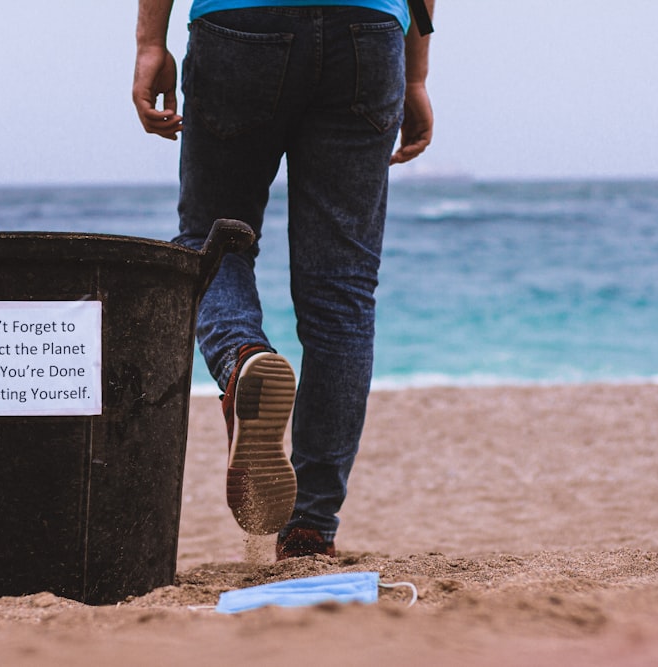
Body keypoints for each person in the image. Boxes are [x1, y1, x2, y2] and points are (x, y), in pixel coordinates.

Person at [133, 0, 434, 559]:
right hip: (367, 31)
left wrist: (151, 44)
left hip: (240, 26)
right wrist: (416, 73)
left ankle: (241, 355)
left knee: (213, 240)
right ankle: (309, 529)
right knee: (341, 290)